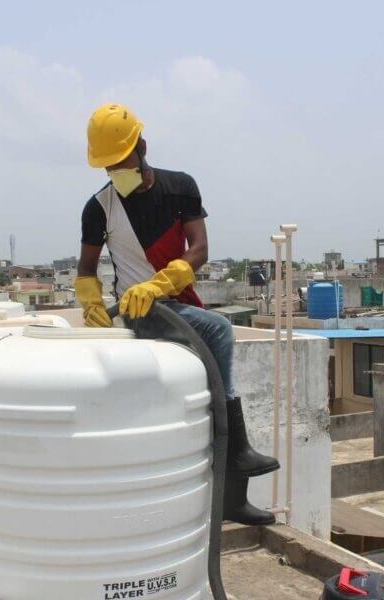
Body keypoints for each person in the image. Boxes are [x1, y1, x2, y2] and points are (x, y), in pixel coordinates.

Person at [75, 103, 279, 525]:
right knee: (221, 332)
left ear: (143, 148)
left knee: (213, 358)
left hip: (171, 300)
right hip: (139, 310)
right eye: (108, 166)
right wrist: (92, 303)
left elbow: (199, 249)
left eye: (122, 161)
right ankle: (237, 452)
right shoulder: (100, 207)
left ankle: (231, 479)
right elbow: (86, 268)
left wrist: (160, 283)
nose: (117, 171)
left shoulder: (181, 188)